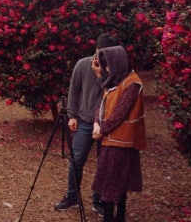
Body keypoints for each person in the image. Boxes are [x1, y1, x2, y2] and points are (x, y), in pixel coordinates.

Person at [54, 33, 118, 215]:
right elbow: (74, 90)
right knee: (76, 159)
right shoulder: (83, 64)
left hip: (107, 124)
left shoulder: (115, 68)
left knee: (103, 163)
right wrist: (72, 116)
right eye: (100, 51)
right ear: (95, 49)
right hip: (85, 121)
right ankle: (72, 196)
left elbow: (112, 94)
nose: (102, 56)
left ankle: (99, 200)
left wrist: (100, 75)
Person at [91, 44, 146, 222]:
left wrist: (102, 130)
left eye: (107, 65)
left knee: (113, 185)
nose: (106, 69)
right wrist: (96, 123)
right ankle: (117, 218)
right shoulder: (117, 80)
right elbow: (102, 104)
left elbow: (120, 114)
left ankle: (113, 218)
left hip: (121, 143)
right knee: (113, 184)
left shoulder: (132, 83)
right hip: (110, 139)